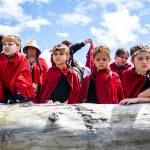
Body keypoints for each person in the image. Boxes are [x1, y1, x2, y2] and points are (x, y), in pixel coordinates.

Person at [0, 35, 35, 104]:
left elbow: (23, 76)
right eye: (4, 44)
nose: (6, 46)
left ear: (18, 48)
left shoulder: (22, 58)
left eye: (10, 44)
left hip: (18, 91)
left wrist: (21, 93)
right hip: (3, 91)